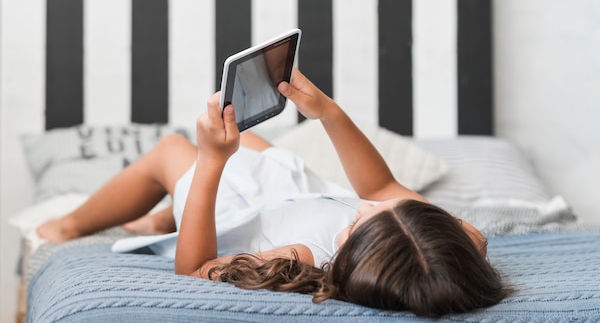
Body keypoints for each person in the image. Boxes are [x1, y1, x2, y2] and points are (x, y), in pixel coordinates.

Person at [37, 68, 510, 317]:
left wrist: (211, 164)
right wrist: (326, 112)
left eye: (360, 220)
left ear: (346, 251)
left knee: (172, 150)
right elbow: (383, 187)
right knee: (255, 143)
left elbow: (194, 270)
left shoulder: (303, 258)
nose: (366, 202)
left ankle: (69, 224)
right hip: (295, 193)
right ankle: (164, 214)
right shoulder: (444, 247)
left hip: (239, 210)